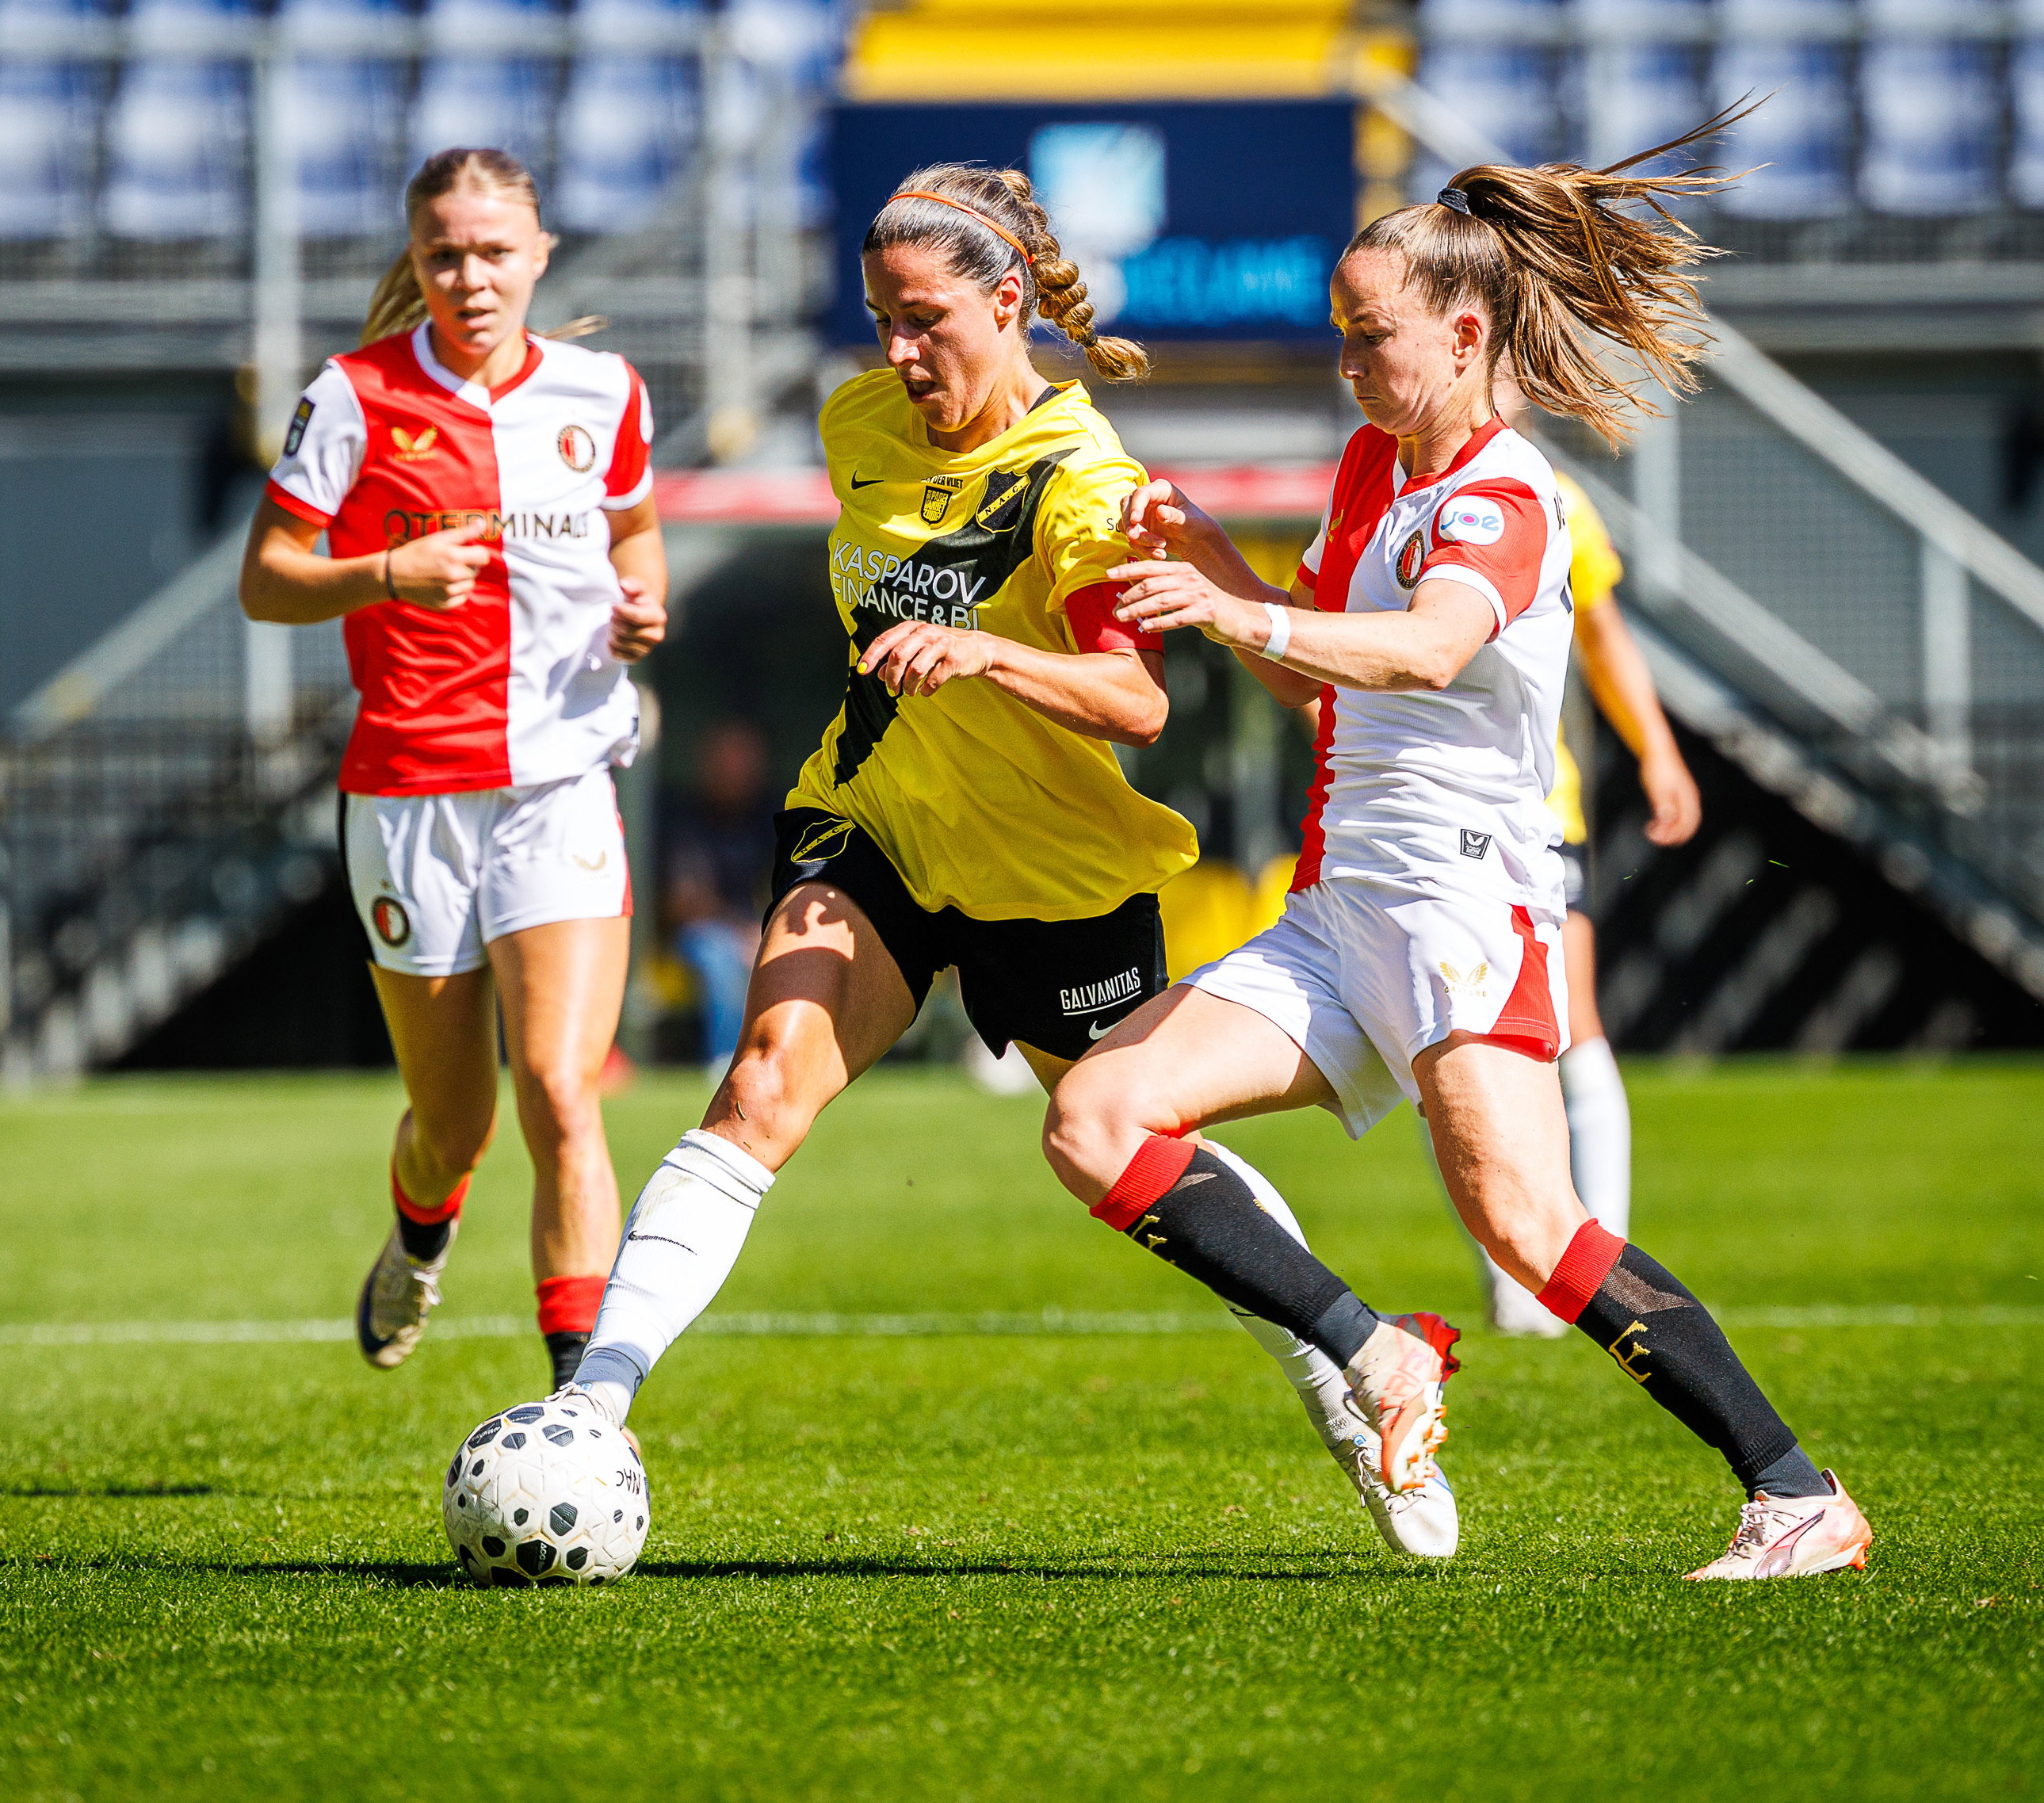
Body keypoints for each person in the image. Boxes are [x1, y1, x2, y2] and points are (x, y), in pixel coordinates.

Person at [557, 162, 1465, 1557]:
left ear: (1005, 302)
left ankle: (1345, 1375)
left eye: (923, 318)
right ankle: (590, 1412)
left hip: (1056, 877)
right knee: (759, 1086)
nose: (896, 351)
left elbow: (1144, 705)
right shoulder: (854, 420)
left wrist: (985, 649)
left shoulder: (1079, 480)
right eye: (877, 318)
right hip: (874, 828)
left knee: (1137, 1150)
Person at [1055, 115, 1878, 1580]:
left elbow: (1430, 650)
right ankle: (1374, 1352)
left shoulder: (1506, 497)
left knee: (1527, 1226)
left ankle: (1793, 1489)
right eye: (1339, 339)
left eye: (1369, 339)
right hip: (1339, 910)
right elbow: (1317, 674)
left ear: (1461, 328)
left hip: (1456, 907)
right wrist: (1205, 562)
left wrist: (1246, 611)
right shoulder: (1374, 469)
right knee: (1095, 1118)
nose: (1348, 366)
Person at [239, 147, 667, 1390]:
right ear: (415, 260)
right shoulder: (354, 396)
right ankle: (419, 1234)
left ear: (539, 254)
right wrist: (383, 572)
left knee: (558, 1086)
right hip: (410, 791)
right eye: (443, 254)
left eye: (493, 251)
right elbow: (267, 577)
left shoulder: (601, 392)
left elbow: (635, 533)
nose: (469, 276)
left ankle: (586, 1403)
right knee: (454, 1125)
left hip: (562, 778)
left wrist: (644, 610)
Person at [1478, 386, 1702, 1338]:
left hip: (1531, 812)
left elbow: (1605, 638)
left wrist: (1656, 747)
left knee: (1567, 1024)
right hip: (1410, 824)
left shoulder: (1555, 497)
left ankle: (1594, 1263)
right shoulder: (1383, 487)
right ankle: (1512, 1277)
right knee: (1462, 1046)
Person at [662, 719, 777, 1072]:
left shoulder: (770, 816)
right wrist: (743, 931)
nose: (737, 771)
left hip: (756, 929)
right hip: (695, 935)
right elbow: (683, 903)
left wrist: (763, 930)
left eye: (745, 761)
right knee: (720, 957)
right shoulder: (684, 818)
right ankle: (729, 1065)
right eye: (728, 761)